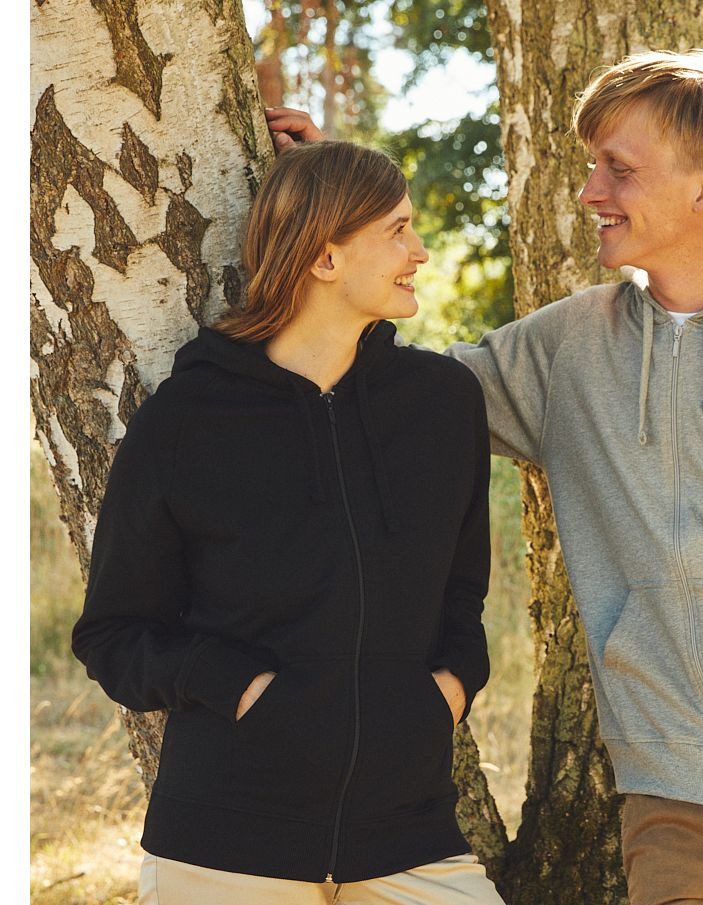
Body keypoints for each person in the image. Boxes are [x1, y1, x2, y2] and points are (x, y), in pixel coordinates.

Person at [269, 48, 703, 905]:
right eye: (594, 167)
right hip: (670, 810)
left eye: (618, 170)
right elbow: (391, 392)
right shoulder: (566, 350)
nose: (591, 191)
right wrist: (338, 206)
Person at [71, 140, 507, 905]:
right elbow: (113, 633)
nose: (422, 251)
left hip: (408, 832)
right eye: (397, 230)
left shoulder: (442, 404)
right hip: (225, 841)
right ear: (325, 258)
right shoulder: (187, 420)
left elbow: (462, 590)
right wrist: (241, 687)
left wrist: (448, 685)